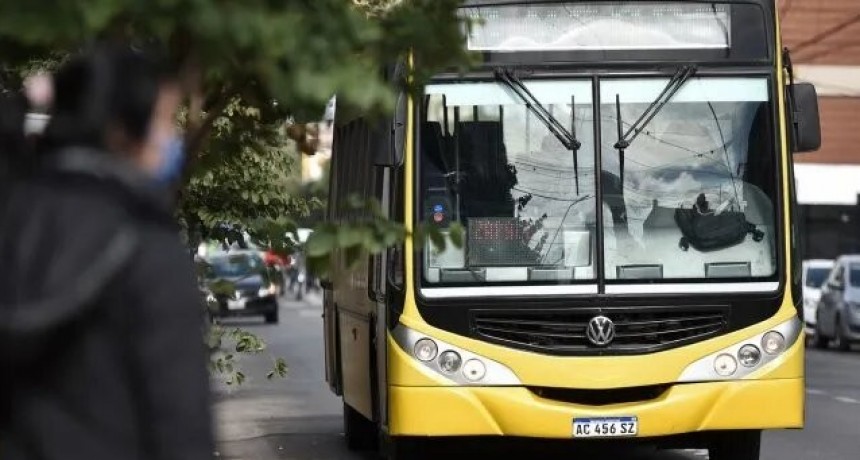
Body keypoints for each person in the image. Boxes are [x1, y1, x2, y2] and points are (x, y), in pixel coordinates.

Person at [0, 45, 213, 460]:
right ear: (122, 132)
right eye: (164, 121)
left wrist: (26, 99)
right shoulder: (148, 252)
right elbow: (180, 427)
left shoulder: (13, 221)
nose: (170, 139)